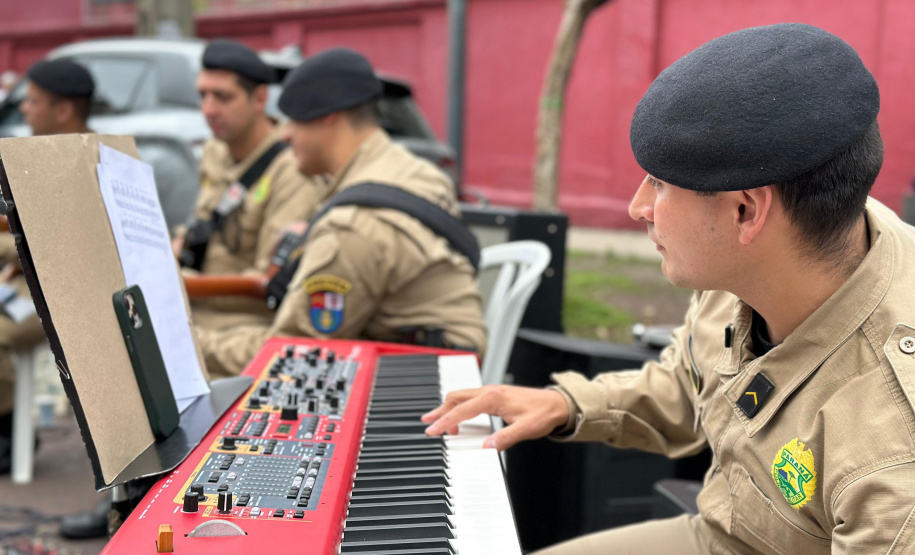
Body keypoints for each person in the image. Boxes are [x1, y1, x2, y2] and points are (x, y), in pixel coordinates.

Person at [423, 23, 915, 554]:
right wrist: (565, 404)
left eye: (658, 183)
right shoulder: (779, 251)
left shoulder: (890, 445)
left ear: (745, 211)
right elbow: (689, 381)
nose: (639, 208)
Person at [196, 48, 486, 377]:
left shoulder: (350, 228)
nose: (286, 134)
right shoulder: (412, 170)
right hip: (447, 360)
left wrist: (190, 345)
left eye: (294, 119)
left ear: (326, 117)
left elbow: (289, 355)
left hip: (422, 379)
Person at [175, 39, 326, 331]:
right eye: (202, 95)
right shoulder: (215, 150)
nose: (209, 109)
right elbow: (201, 224)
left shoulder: (293, 167)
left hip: (244, 323)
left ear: (259, 99)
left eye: (223, 97)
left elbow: (265, 282)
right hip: (193, 308)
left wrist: (179, 284)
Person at [0, 59, 95, 475]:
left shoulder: (86, 161)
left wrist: (7, 248)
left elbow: (61, 247)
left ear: (64, 110)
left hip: (68, 293)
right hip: (31, 283)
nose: (23, 108)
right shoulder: (40, 155)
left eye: (33, 101)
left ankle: (8, 430)